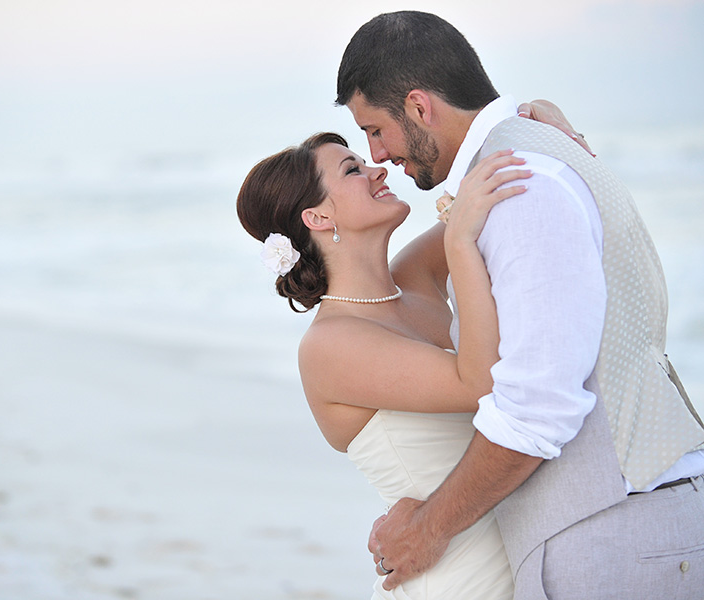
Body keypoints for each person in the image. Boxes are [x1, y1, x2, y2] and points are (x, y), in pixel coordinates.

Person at [334, 11, 704, 599]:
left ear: (420, 107)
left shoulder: (517, 185)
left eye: (376, 130)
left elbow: (536, 407)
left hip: (615, 537)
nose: (378, 154)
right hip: (624, 524)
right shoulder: (527, 162)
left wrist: (425, 533)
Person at [238, 131, 530, 598]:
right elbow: (477, 382)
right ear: (317, 216)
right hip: (454, 580)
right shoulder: (329, 345)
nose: (379, 169)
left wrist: (530, 120)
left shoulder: (412, 278)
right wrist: (459, 246)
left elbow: (490, 190)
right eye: (353, 169)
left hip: (523, 557)